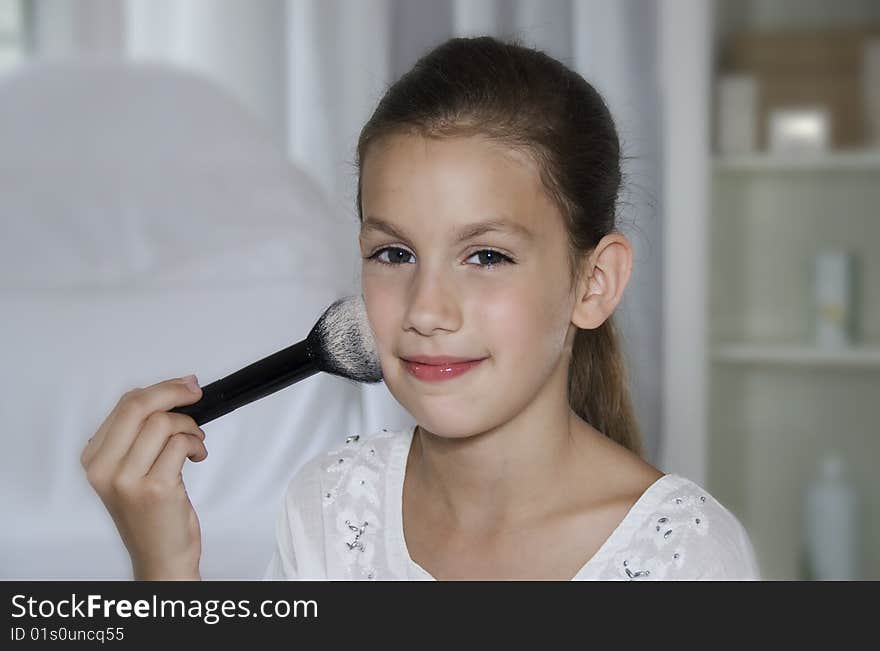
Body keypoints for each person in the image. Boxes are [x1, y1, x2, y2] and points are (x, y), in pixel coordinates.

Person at [81, 36, 761, 581]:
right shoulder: (329, 505)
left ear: (594, 282)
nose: (426, 311)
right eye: (394, 254)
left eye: (487, 256)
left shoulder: (688, 560)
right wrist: (165, 570)